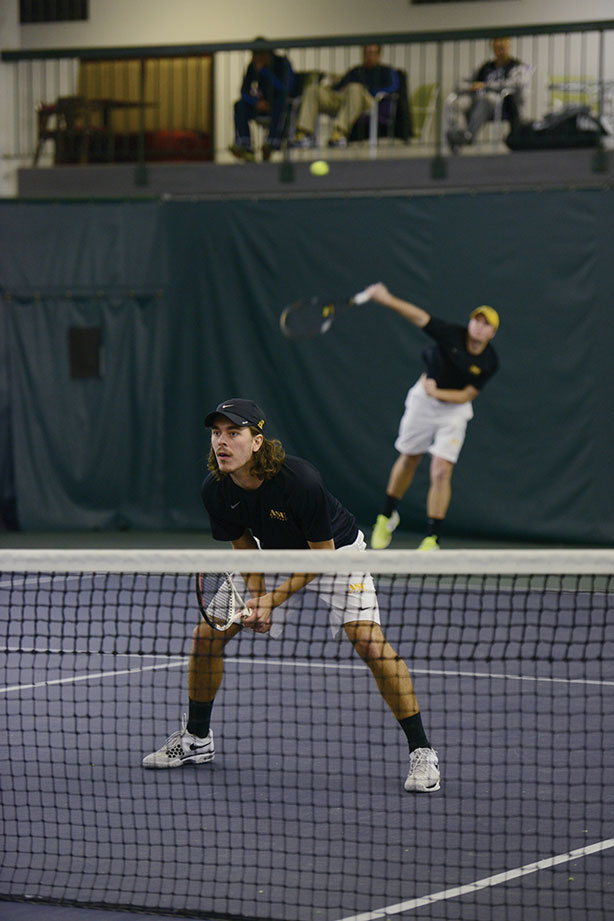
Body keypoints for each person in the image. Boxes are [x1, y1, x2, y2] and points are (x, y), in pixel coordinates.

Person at [144, 398, 440, 793]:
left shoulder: (301, 481)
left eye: (234, 433)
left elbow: (321, 559)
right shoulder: (216, 488)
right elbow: (244, 545)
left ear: (257, 442)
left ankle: (422, 751)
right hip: (275, 551)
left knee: (369, 643)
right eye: (216, 433)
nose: (221, 442)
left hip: (335, 553)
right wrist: (258, 596)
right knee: (206, 636)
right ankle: (197, 739)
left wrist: (272, 601)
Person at [366, 284, 499, 551]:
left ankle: (431, 539)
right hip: (423, 402)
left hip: (453, 411)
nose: (478, 326)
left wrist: (439, 392)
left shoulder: (489, 361)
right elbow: (418, 316)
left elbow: (466, 396)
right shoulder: (451, 334)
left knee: (441, 469)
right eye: (476, 319)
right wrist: (389, 299)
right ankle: (386, 516)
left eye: (485, 324)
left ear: (492, 333)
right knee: (409, 458)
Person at [291, 44, 400, 149]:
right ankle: (304, 133)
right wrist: (337, 87)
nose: (369, 56)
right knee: (313, 89)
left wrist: (367, 90)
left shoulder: (386, 71)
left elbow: (393, 87)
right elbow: (339, 86)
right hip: (345, 100)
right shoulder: (355, 70)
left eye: (372, 53)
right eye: (366, 53)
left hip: (369, 101)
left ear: (379, 55)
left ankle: (340, 133)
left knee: (355, 88)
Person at [445, 37, 530, 153]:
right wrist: (471, 86)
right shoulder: (485, 67)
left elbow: (517, 84)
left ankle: (469, 136)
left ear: (509, 47)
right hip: (476, 99)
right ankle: (459, 134)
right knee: (457, 102)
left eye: (502, 47)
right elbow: (462, 83)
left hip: (503, 103)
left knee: (486, 99)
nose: (499, 51)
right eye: (496, 48)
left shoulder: (517, 66)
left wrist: (486, 86)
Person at [230, 39, 294, 162]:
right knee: (239, 105)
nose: (254, 59)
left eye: (257, 55)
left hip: (279, 104)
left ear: (266, 54)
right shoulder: (252, 66)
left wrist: (265, 72)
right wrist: (256, 103)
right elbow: (244, 92)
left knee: (280, 101)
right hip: (261, 105)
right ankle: (245, 143)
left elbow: (286, 89)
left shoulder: (282, 63)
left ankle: (272, 142)